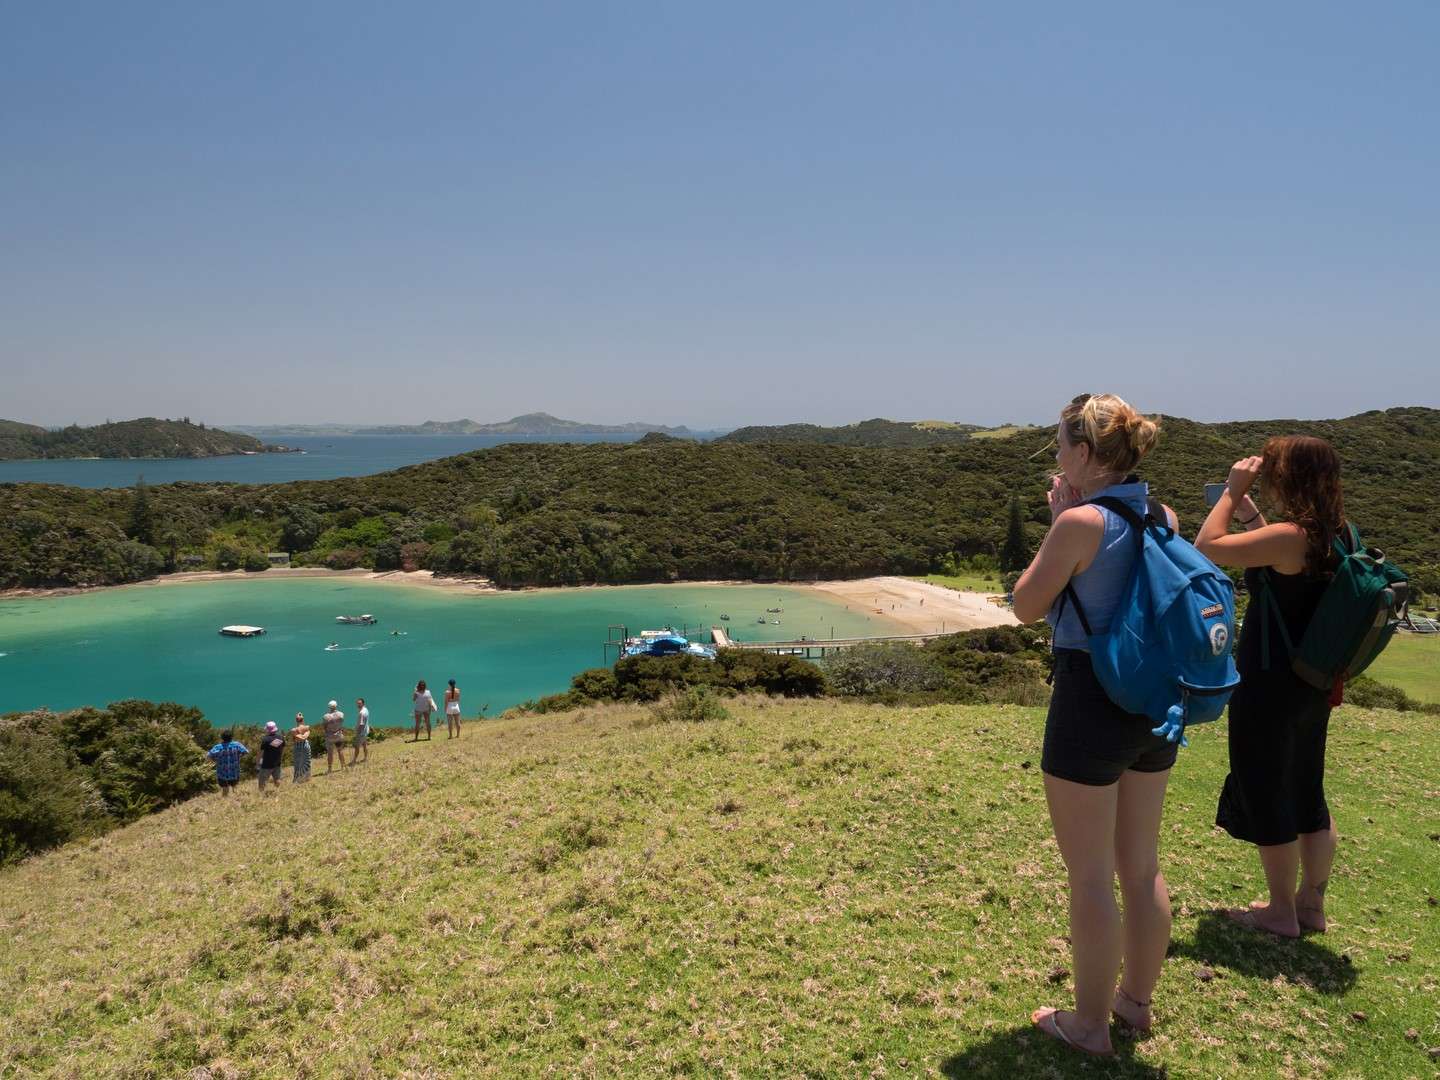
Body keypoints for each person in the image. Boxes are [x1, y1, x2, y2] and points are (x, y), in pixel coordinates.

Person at [1010, 393, 1177, 1057]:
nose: (1054, 456)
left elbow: (1027, 606)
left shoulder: (1079, 523)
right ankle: (1133, 1005)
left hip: (1091, 699)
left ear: (1084, 454)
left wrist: (1060, 520)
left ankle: (1087, 1026)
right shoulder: (1164, 514)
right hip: (1155, 702)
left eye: (1059, 446)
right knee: (1140, 868)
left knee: (1089, 876)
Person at [1195, 437, 1344, 938]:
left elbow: (1206, 548)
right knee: (1306, 788)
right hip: (1313, 684)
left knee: (1266, 787)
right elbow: (1280, 571)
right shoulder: (1338, 533)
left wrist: (1231, 495)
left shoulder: (1291, 536)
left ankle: (1280, 912)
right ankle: (1310, 905)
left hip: (1269, 684)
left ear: (1290, 478)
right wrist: (1252, 517)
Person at [206, 730, 248, 797]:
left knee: (225, 788)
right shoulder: (237, 745)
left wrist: (214, 760)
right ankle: (236, 799)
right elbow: (245, 751)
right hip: (234, 771)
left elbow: (208, 756)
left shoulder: (218, 747)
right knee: (235, 787)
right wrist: (239, 757)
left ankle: (225, 800)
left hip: (222, 772)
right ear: (231, 737)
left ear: (222, 738)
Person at [256, 721, 286, 793]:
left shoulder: (265, 740)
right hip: (277, 763)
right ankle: (277, 791)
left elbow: (260, 753)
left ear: (267, 730)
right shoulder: (281, 738)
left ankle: (261, 794)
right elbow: (283, 749)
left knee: (262, 780)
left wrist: (257, 763)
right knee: (277, 779)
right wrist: (281, 758)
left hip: (266, 764)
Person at [322, 699, 347, 773]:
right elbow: (341, 723)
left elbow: (324, 727)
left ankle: (330, 769)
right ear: (336, 706)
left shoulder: (326, 717)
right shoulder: (341, 714)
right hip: (338, 735)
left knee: (330, 753)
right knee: (340, 751)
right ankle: (343, 766)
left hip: (329, 736)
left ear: (329, 707)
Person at [290, 713, 312, 783]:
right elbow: (305, 737)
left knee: (298, 763)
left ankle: (297, 779)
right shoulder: (307, 727)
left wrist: (299, 736)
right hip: (306, 745)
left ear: (296, 720)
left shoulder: (293, 730)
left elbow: (300, 738)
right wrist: (304, 736)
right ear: (303, 720)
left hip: (298, 746)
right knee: (306, 761)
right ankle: (306, 778)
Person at [351, 697, 370, 765]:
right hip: (365, 731)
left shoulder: (361, 713)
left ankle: (354, 761)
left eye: (359, 703)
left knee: (357, 747)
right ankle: (365, 758)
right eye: (357, 703)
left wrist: (358, 733)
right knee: (364, 745)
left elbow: (361, 724)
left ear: (363, 703)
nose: (358, 705)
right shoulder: (366, 709)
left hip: (361, 733)